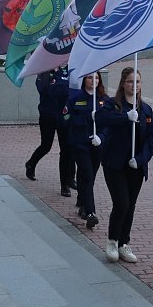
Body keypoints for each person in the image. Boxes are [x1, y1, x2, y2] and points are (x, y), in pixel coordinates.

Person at [95, 67, 153, 264]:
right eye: (130, 81)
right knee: (121, 203)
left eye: (137, 82)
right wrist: (125, 118)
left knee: (130, 206)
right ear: (123, 83)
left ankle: (124, 243)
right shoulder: (112, 105)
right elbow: (101, 118)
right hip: (115, 164)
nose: (134, 85)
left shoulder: (145, 110)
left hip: (135, 166)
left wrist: (140, 159)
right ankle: (112, 240)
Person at [66, 72, 110, 227]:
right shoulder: (75, 99)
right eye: (91, 78)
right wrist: (86, 118)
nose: (94, 80)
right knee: (87, 174)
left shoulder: (105, 100)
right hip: (80, 144)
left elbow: (109, 124)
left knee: (90, 175)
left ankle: (83, 200)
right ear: (84, 80)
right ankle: (90, 212)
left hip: (97, 145)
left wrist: (102, 136)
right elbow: (65, 118)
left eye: (97, 78)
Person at [25, 67, 75, 197]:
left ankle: (66, 182)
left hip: (65, 115)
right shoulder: (44, 71)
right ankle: (31, 164)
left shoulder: (68, 70)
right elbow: (46, 90)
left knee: (67, 148)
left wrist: (60, 85)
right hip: (48, 115)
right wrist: (61, 83)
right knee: (46, 145)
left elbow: (72, 90)